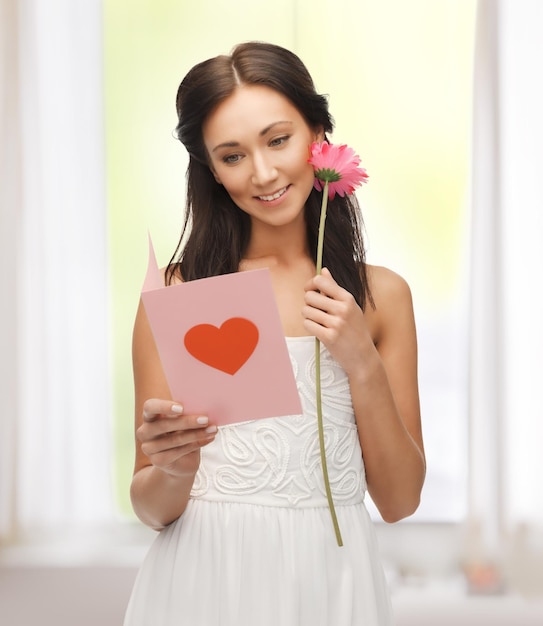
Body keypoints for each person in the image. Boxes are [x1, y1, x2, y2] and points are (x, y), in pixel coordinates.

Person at [124, 41, 425, 626]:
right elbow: (150, 508)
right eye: (232, 155)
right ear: (209, 169)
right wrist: (173, 468)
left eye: (278, 140)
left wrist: (360, 359)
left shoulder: (381, 297)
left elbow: (400, 501)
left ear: (318, 133)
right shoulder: (178, 292)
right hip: (203, 583)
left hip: (332, 584)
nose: (262, 173)